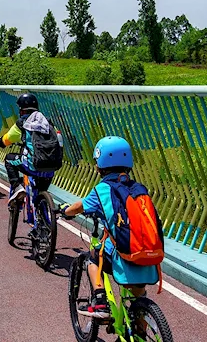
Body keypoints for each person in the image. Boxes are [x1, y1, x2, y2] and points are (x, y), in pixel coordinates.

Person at [60, 137, 161, 319]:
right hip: (147, 251)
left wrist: (65, 210)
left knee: (92, 258)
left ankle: (100, 302)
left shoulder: (103, 189)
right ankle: (140, 328)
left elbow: (80, 207)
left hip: (122, 253)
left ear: (100, 164)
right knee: (139, 297)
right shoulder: (138, 188)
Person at [0, 93, 60, 206]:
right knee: (40, 193)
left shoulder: (22, 123)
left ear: (22, 110)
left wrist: (0, 141)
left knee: (9, 159)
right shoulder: (47, 122)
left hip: (32, 165)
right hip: (52, 166)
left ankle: (17, 187)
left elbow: (7, 140)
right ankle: (43, 216)